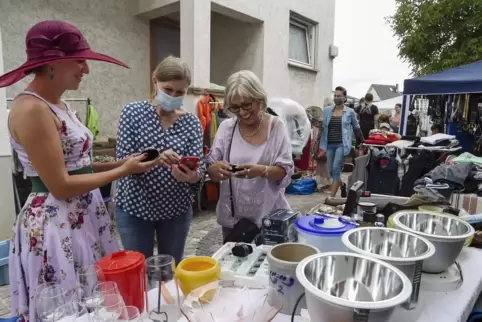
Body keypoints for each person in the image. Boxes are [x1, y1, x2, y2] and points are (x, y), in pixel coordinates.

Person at [2, 20, 159, 321]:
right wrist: (123, 171)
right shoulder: (31, 109)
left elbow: (77, 166)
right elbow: (60, 185)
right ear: (51, 63)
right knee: (68, 306)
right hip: (56, 220)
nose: (85, 68)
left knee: (96, 301)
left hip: (82, 214)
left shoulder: (59, 105)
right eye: (80, 60)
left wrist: (126, 162)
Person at [115, 56, 204, 264]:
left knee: (169, 271)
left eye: (180, 92)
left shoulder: (191, 123)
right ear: (155, 81)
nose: (173, 96)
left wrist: (191, 176)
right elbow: (122, 161)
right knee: (138, 271)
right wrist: (155, 158)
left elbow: (200, 168)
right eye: (168, 89)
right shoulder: (133, 113)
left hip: (176, 211)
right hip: (135, 208)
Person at [206, 70, 294, 241]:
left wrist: (261, 170)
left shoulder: (276, 127)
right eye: (235, 107)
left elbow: (285, 172)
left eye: (247, 105)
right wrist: (215, 170)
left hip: (271, 218)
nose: (242, 112)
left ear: (259, 99)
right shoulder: (226, 128)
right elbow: (211, 167)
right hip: (234, 220)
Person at [320, 86, 364, 197]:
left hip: (342, 144)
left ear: (344, 98)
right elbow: (323, 127)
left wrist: (362, 141)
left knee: (336, 168)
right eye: (335, 95)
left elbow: (356, 127)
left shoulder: (350, 112)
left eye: (339, 96)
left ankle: (332, 197)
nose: (336, 98)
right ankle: (341, 184)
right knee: (330, 171)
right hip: (329, 144)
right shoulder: (327, 111)